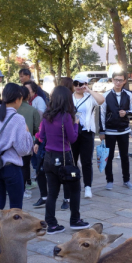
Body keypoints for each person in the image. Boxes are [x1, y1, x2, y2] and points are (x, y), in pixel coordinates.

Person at [40, 85, 89, 234]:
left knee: (52, 192)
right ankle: (75, 220)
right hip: (64, 158)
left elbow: (41, 136)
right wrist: (76, 123)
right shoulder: (67, 116)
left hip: (49, 157)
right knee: (74, 189)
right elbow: (73, 138)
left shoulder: (46, 115)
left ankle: (51, 224)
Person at [0, 83, 33, 209]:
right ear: (18, 99)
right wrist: (27, 133)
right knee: (16, 208)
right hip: (11, 168)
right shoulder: (18, 119)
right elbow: (23, 150)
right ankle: (13, 230)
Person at [100, 71, 132, 190]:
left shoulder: (129, 95)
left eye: (120, 80)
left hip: (124, 131)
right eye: (116, 79)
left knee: (125, 157)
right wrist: (102, 131)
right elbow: (101, 114)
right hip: (110, 131)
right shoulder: (105, 95)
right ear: (112, 80)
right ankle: (109, 180)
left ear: (125, 81)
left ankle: (126, 180)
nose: (118, 82)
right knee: (108, 157)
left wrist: (126, 113)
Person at [71, 73, 105, 199]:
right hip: (73, 131)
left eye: (81, 84)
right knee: (73, 160)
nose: (78, 87)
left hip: (87, 131)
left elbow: (101, 100)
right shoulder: (70, 97)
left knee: (86, 161)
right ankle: (74, 183)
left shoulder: (89, 97)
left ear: (85, 84)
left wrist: (89, 90)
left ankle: (87, 187)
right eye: (76, 84)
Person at [17, 85, 40, 199]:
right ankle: (23, 188)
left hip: (10, 144)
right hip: (26, 142)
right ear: (28, 96)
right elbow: (37, 128)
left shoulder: (9, 109)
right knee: (25, 166)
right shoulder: (32, 110)